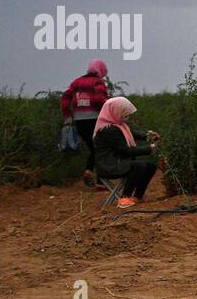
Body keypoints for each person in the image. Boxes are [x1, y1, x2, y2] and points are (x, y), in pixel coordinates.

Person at [93, 97, 159, 209]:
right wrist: (149, 148)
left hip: (117, 163)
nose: (126, 115)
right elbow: (126, 151)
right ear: (114, 111)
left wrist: (148, 135)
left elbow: (134, 134)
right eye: (123, 113)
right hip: (109, 166)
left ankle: (137, 196)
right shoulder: (108, 130)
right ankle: (125, 197)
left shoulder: (118, 125)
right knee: (139, 166)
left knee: (151, 166)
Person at [60, 59, 110, 187]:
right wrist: (110, 109)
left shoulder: (76, 82)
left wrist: (67, 115)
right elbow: (100, 100)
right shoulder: (98, 82)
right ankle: (100, 182)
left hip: (79, 122)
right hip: (95, 120)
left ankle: (89, 171)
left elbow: (65, 97)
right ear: (101, 70)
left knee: (95, 148)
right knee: (102, 148)